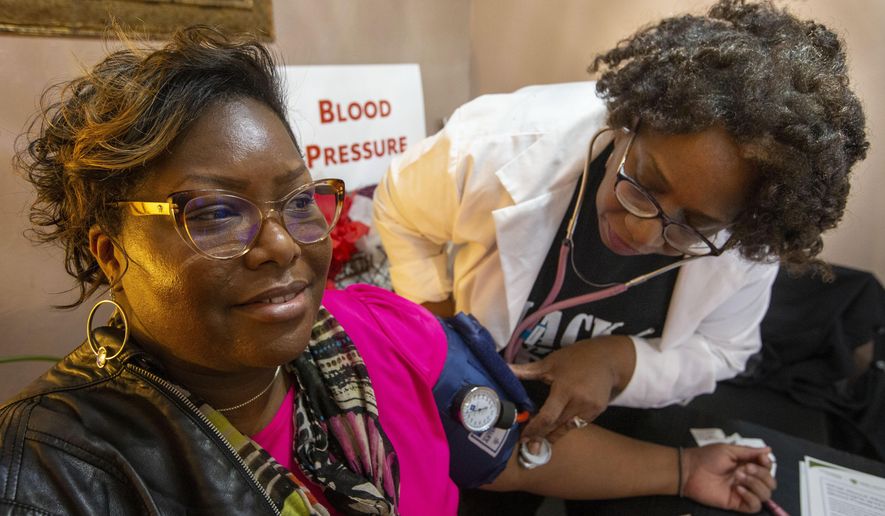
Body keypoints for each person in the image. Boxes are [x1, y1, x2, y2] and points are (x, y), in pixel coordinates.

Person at [0, 26, 776, 515]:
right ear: (110, 251)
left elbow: (503, 450)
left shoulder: (382, 331)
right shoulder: (56, 472)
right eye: (213, 212)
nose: (279, 246)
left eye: (298, 202)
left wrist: (687, 469)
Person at [374, 0, 868, 441]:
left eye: (694, 224)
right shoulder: (497, 144)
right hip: (480, 384)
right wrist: (440, 324)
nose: (641, 231)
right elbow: (398, 207)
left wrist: (620, 364)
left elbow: (724, 350)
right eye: (646, 182)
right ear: (628, 124)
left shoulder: (746, 229)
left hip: (618, 406)